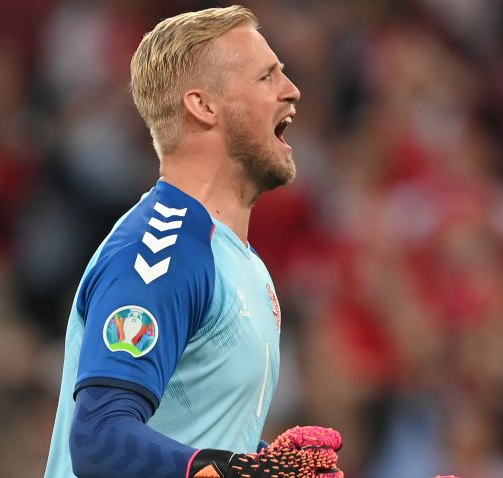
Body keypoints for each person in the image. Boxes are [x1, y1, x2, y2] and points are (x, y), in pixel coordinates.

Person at [43, 6, 343, 478]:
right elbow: (98, 437)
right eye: (267, 77)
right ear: (203, 106)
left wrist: (260, 466)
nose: (292, 91)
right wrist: (223, 471)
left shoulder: (239, 262)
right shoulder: (159, 247)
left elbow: (195, 443)